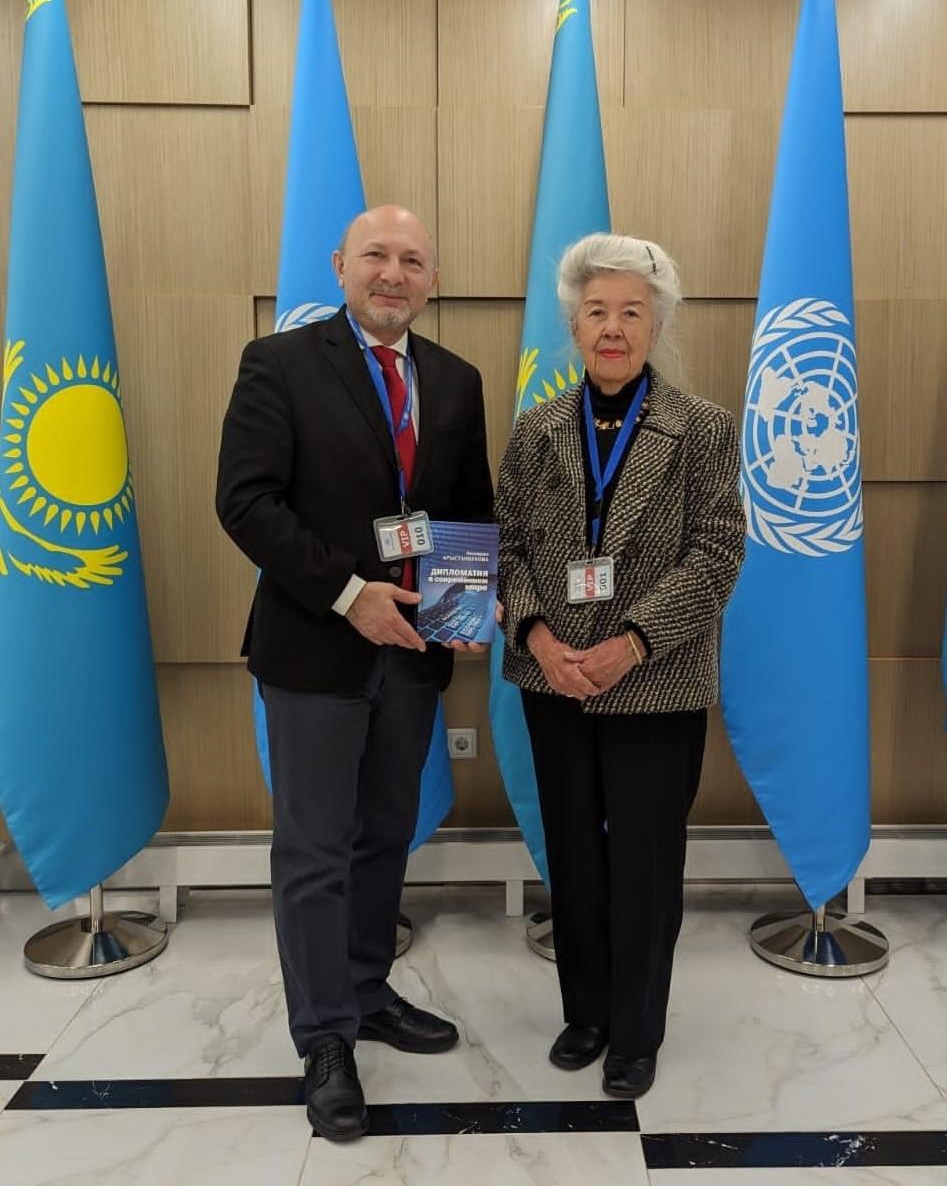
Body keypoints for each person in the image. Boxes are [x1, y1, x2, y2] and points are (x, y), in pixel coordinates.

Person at [216, 205, 494, 1140]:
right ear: (340, 265)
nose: (393, 273)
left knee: (384, 833)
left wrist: (461, 608)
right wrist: (348, 594)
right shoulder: (279, 363)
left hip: (411, 656)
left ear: (431, 280)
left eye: (412, 260)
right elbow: (246, 502)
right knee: (313, 848)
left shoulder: (454, 379)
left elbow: (464, 508)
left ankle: (367, 988)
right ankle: (326, 1038)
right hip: (314, 650)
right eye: (376, 254)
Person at [496, 233, 745, 1099]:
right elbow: (508, 546)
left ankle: (635, 1032)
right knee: (572, 853)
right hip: (553, 677)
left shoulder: (703, 428)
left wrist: (630, 643)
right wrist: (538, 638)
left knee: (644, 862)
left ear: (655, 326)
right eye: (596, 311)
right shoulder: (535, 431)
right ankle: (587, 1012)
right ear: (573, 325)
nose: (612, 328)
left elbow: (717, 554)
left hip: (656, 679)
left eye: (630, 312)